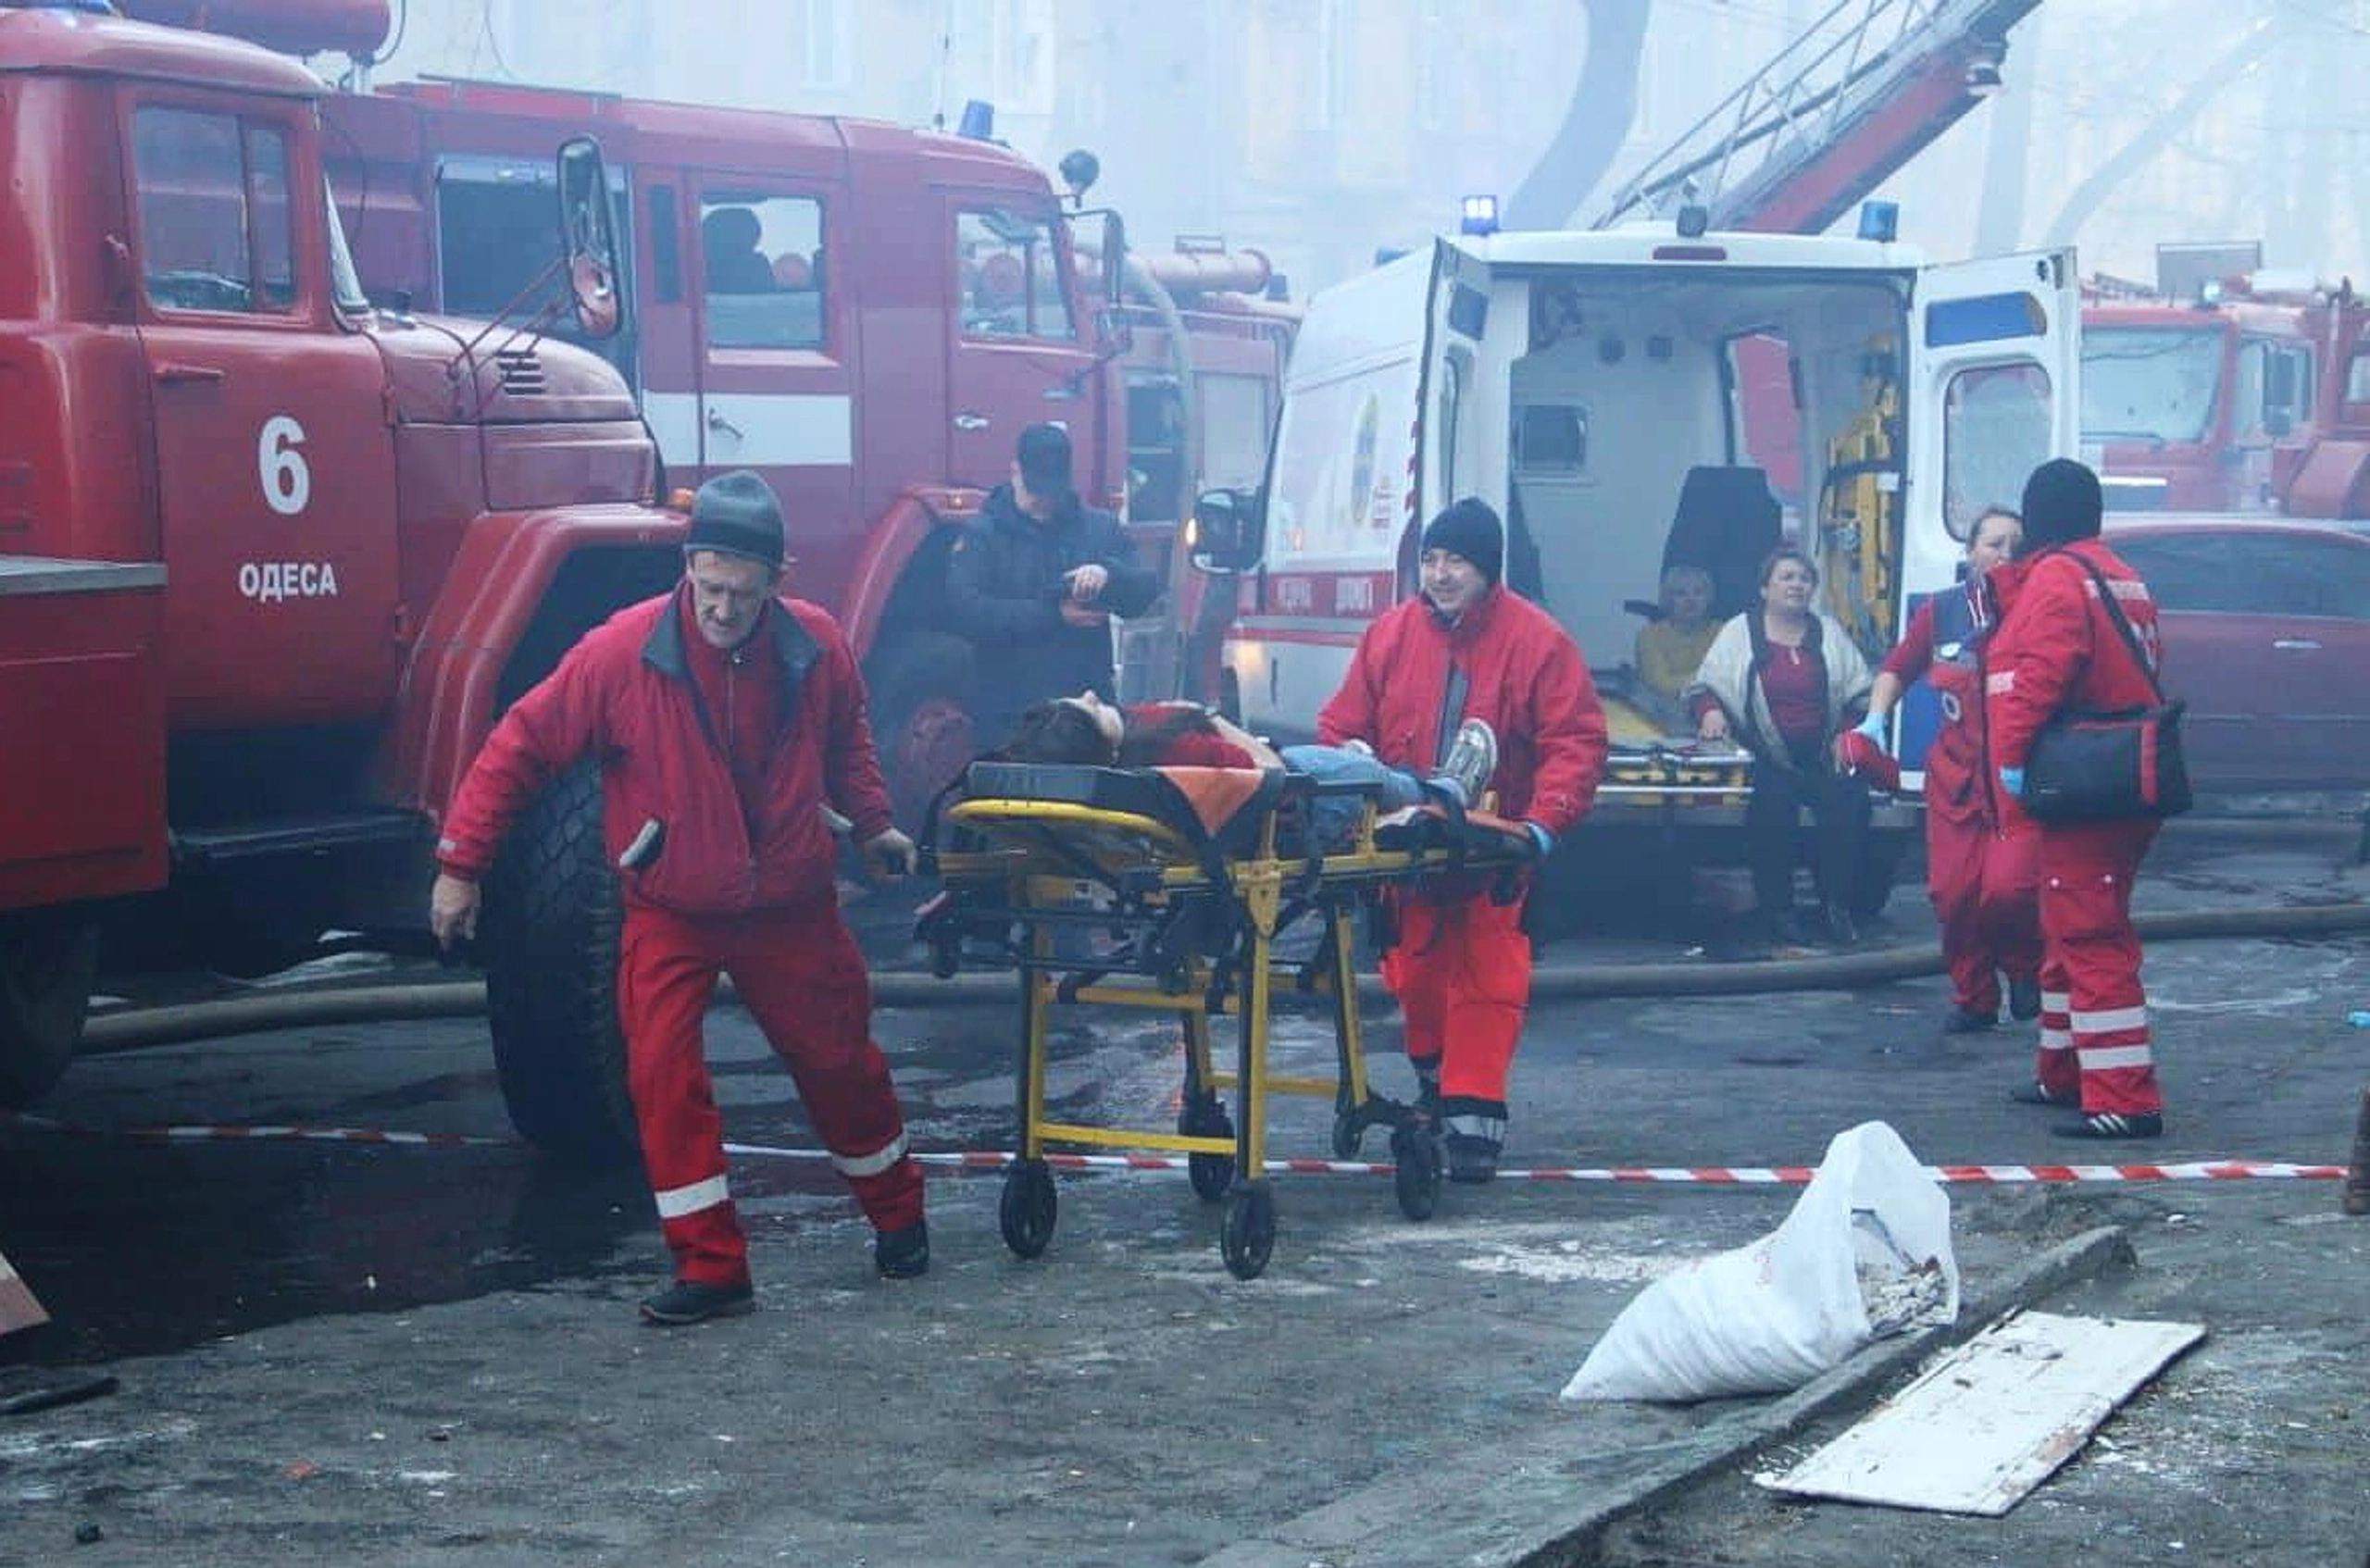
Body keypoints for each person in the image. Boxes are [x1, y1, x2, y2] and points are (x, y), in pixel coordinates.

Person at [428, 471, 930, 1325]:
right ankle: (711, 1268)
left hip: (790, 904)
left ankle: (898, 1215)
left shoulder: (818, 648)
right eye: (709, 586)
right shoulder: (619, 655)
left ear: (780, 580)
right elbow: (519, 746)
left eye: (742, 591)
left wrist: (876, 826)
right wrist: (459, 863)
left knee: (840, 1063)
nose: (723, 609)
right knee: (661, 1074)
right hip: (672, 905)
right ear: (688, 567)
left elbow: (848, 739)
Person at [1317, 497, 1609, 1183]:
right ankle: (1434, 1087)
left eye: (1456, 561)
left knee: (1485, 979)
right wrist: (1359, 777)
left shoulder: (1538, 641)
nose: (1442, 574)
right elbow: (1339, 726)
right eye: (1432, 559)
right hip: (1405, 842)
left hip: (1490, 847)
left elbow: (1576, 743)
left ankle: (1474, 1123)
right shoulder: (1389, 637)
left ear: (1487, 569)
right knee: (1415, 975)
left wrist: (1541, 825)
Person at [1986, 458, 2169, 1140]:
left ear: (2038, 516)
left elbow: (2038, 678)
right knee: (2067, 929)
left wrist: (2010, 763)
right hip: (2120, 782)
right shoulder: (2118, 574)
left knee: (2090, 936)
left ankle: (2124, 1095)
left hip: (2083, 791)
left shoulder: (2059, 578)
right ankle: (2063, 1073)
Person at [1858, 507, 2042, 1035]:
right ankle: (1975, 998)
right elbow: (1897, 668)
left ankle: (2025, 970)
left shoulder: (2037, 611)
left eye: (2016, 544)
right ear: (1969, 553)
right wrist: (1874, 719)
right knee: (1953, 895)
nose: (2005, 554)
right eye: (1993, 543)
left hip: (2016, 782)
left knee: (2008, 893)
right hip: (1957, 780)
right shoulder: (1942, 613)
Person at [994, 691, 1501, 849]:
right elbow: (1267, 773)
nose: (1089, 692)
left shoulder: (1122, 778)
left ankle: (1362, 764)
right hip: (1297, 806)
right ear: (1100, 740)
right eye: (1090, 707)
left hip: (1245, 821)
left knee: (1350, 766)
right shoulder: (1176, 753)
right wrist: (1213, 717)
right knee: (1374, 780)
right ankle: (1451, 788)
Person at [1687, 546, 1877, 947]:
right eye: (1786, 577)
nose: (1797, 585)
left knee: (1848, 803)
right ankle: (1780, 911)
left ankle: (1837, 907)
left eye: (1804, 578)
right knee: (1772, 810)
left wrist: (1846, 733)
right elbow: (1704, 687)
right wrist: (1709, 712)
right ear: (1764, 588)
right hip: (1763, 758)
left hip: (1822, 758)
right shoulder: (1741, 630)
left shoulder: (1829, 632)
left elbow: (1861, 696)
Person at [945, 422, 1161, 747]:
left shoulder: (1099, 529)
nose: (1044, 502)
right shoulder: (982, 535)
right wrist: (1053, 615)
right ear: (1015, 471)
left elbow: (1144, 590)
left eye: (1052, 492)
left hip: (1086, 714)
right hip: (1010, 716)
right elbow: (966, 612)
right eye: (1036, 492)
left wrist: (1109, 576)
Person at [1634, 563, 1719, 705]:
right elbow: (1662, 685)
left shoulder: (1724, 632)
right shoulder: (1649, 636)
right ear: (1667, 600)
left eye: (1698, 592)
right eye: (1681, 593)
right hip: (1663, 717)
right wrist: (1711, 681)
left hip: (1719, 714)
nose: (1690, 600)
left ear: (1708, 598)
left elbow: (1732, 683)